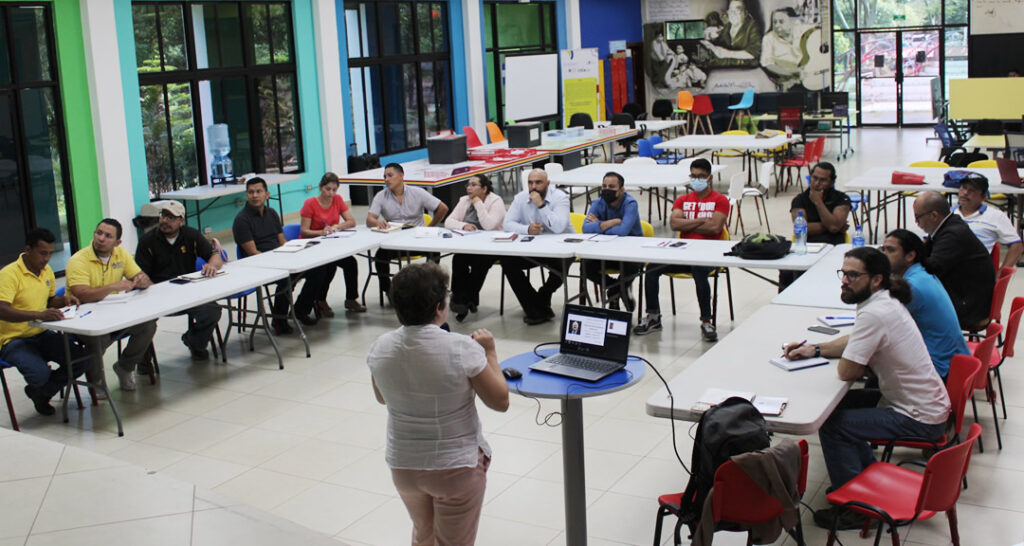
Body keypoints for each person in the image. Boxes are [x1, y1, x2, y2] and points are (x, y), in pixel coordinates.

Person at [783, 247, 950, 530]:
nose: (844, 281)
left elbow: (848, 370)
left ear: (876, 280)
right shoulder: (882, 301)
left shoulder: (876, 313)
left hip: (920, 417)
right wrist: (815, 349)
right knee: (839, 407)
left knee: (833, 424)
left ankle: (855, 509)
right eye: (843, 274)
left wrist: (852, 354)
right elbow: (854, 339)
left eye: (852, 275)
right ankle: (861, 478)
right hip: (923, 404)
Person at [366, 263, 509, 546]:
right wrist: (490, 352)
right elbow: (500, 400)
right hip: (455, 466)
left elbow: (382, 396)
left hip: (404, 465)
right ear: (439, 307)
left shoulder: (380, 347)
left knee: (423, 534)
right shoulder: (461, 348)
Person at [635, 158, 728, 341]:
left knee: (699, 270)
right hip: (683, 253)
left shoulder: (720, 200)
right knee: (652, 268)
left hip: (708, 255)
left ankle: (706, 321)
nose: (696, 180)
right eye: (693, 176)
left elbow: (715, 228)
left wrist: (688, 225)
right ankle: (653, 316)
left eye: (701, 176)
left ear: (710, 178)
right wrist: (701, 221)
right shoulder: (683, 199)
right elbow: (674, 223)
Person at [0, 228, 89, 415]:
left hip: (42, 332)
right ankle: (41, 387)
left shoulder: (46, 271)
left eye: (50, 253)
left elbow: (49, 301)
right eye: (42, 253)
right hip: (13, 339)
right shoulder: (8, 275)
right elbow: (2, 310)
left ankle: (40, 393)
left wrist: (63, 300)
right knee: (39, 374)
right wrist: (37, 315)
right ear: (28, 249)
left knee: (81, 360)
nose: (47, 259)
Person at [66, 219, 156, 393]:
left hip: (113, 313)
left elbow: (142, 278)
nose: (101, 238)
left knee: (148, 325)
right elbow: (81, 294)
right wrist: (113, 287)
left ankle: (125, 367)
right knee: (99, 338)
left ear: (117, 242)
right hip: (83, 319)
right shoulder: (78, 260)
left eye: (108, 236)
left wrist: (141, 281)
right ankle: (97, 383)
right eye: (98, 233)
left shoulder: (120, 254)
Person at [233, 177, 325, 334]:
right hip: (259, 264)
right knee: (287, 277)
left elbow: (282, 241)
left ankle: (300, 310)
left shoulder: (271, 213)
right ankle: (279, 319)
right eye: (251, 192)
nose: (255, 195)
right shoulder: (241, 220)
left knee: (318, 269)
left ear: (267, 194)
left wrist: (293, 252)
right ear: (246, 195)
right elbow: (253, 254)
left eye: (258, 191)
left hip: (280, 257)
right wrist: (281, 261)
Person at [135, 200, 223, 361]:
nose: (165, 221)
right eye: (163, 216)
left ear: (181, 220)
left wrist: (212, 265)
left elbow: (215, 255)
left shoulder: (191, 235)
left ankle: (195, 342)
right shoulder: (147, 241)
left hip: (187, 291)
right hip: (156, 294)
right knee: (142, 323)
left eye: (171, 218)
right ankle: (143, 360)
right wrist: (145, 283)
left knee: (212, 311)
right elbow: (140, 274)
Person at [880, 229, 969, 378]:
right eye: (882, 249)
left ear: (910, 256)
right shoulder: (922, 272)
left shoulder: (912, 286)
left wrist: (825, 349)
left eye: (890, 250)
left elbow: (878, 331)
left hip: (938, 370)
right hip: (951, 362)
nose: (883, 255)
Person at [913, 191, 995, 330]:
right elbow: (926, 253)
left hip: (969, 309)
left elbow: (931, 269)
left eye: (918, 217)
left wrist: (906, 260)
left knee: (909, 310)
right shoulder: (949, 225)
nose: (916, 222)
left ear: (934, 215)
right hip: (968, 297)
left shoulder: (952, 234)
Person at [501, 168, 573, 324]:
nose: (533, 187)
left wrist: (541, 205)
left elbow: (559, 227)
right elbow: (507, 224)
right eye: (530, 183)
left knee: (562, 263)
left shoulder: (560, 198)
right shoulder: (520, 198)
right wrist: (526, 229)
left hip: (560, 247)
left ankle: (543, 295)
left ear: (547, 183)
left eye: (538, 183)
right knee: (507, 260)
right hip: (534, 247)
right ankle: (537, 308)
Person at [366, 163, 449, 296]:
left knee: (434, 252)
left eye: (390, 175)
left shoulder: (417, 192)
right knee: (380, 257)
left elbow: (443, 208)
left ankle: (429, 288)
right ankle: (388, 290)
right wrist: (377, 222)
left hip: (417, 240)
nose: (386, 179)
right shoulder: (381, 196)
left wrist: (430, 226)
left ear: (401, 176)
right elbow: (369, 219)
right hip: (395, 241)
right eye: (384, 176)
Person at [299, 172, 366, 316]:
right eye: (327, 189)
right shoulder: (310, 203)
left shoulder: (337, 200)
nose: (331, 193)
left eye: (334, 190)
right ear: (320, 187)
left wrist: (337, 226)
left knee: (351, 263)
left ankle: (351, 299)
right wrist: (321, 232)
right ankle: (320, 300)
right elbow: (304, 231)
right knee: (329, 267)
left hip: (330, 245)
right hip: (313, 245)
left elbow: (351, 221)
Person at [779, 162, 851, 290]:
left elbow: (834, 227)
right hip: (807, 249)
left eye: (823, 180)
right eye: (814, 178)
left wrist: (818, 202)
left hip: (835, 247)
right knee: (787, 271)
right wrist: (833, 224)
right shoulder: (799, 200)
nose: (817, 183)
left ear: (832, 181)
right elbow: (802, 229)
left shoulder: (841, 198)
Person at [444, 174, 506, 322]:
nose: (469, 188)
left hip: (492, 246)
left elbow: (489, 225)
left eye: (473, 185)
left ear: (484, 188)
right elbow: (448, 221)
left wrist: (478, 203)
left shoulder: (496, 201)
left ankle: (461, 300)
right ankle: (465, 300)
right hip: (470, 244)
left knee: (481, 262)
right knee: (458, 259)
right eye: (468, 185)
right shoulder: (464, 200)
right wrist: (463, 225)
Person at [581, 171, 642, 311]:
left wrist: (599, 225)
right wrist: (609, 223)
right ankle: (618, 288)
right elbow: (585, 228)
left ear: (622, 190)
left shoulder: (630, 203)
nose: (606, 190)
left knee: (632, 267)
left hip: (631, 250)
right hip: (605, 250)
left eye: (611, 187)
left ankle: (613, 294)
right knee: (585, 266)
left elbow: (623, 231)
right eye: (604, 186)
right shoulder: (598, 202)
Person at [952, 174, 1023, 271]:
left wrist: (1000, 275)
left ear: (984, 196)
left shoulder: (995, 216)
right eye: (963, 188)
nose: (965, 193)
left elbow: (1017, 247)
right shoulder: (946, 213)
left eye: (972, 190)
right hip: (945, 269)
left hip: (973, 272)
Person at [760, 8, 810, 90]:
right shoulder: (768, 38)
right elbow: (768, 64)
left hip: (810, 77)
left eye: (781, 22)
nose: (776, 25)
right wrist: (791, 73)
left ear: (792, 22)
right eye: (774, 22)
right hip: (788, 82)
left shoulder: (802, 30)